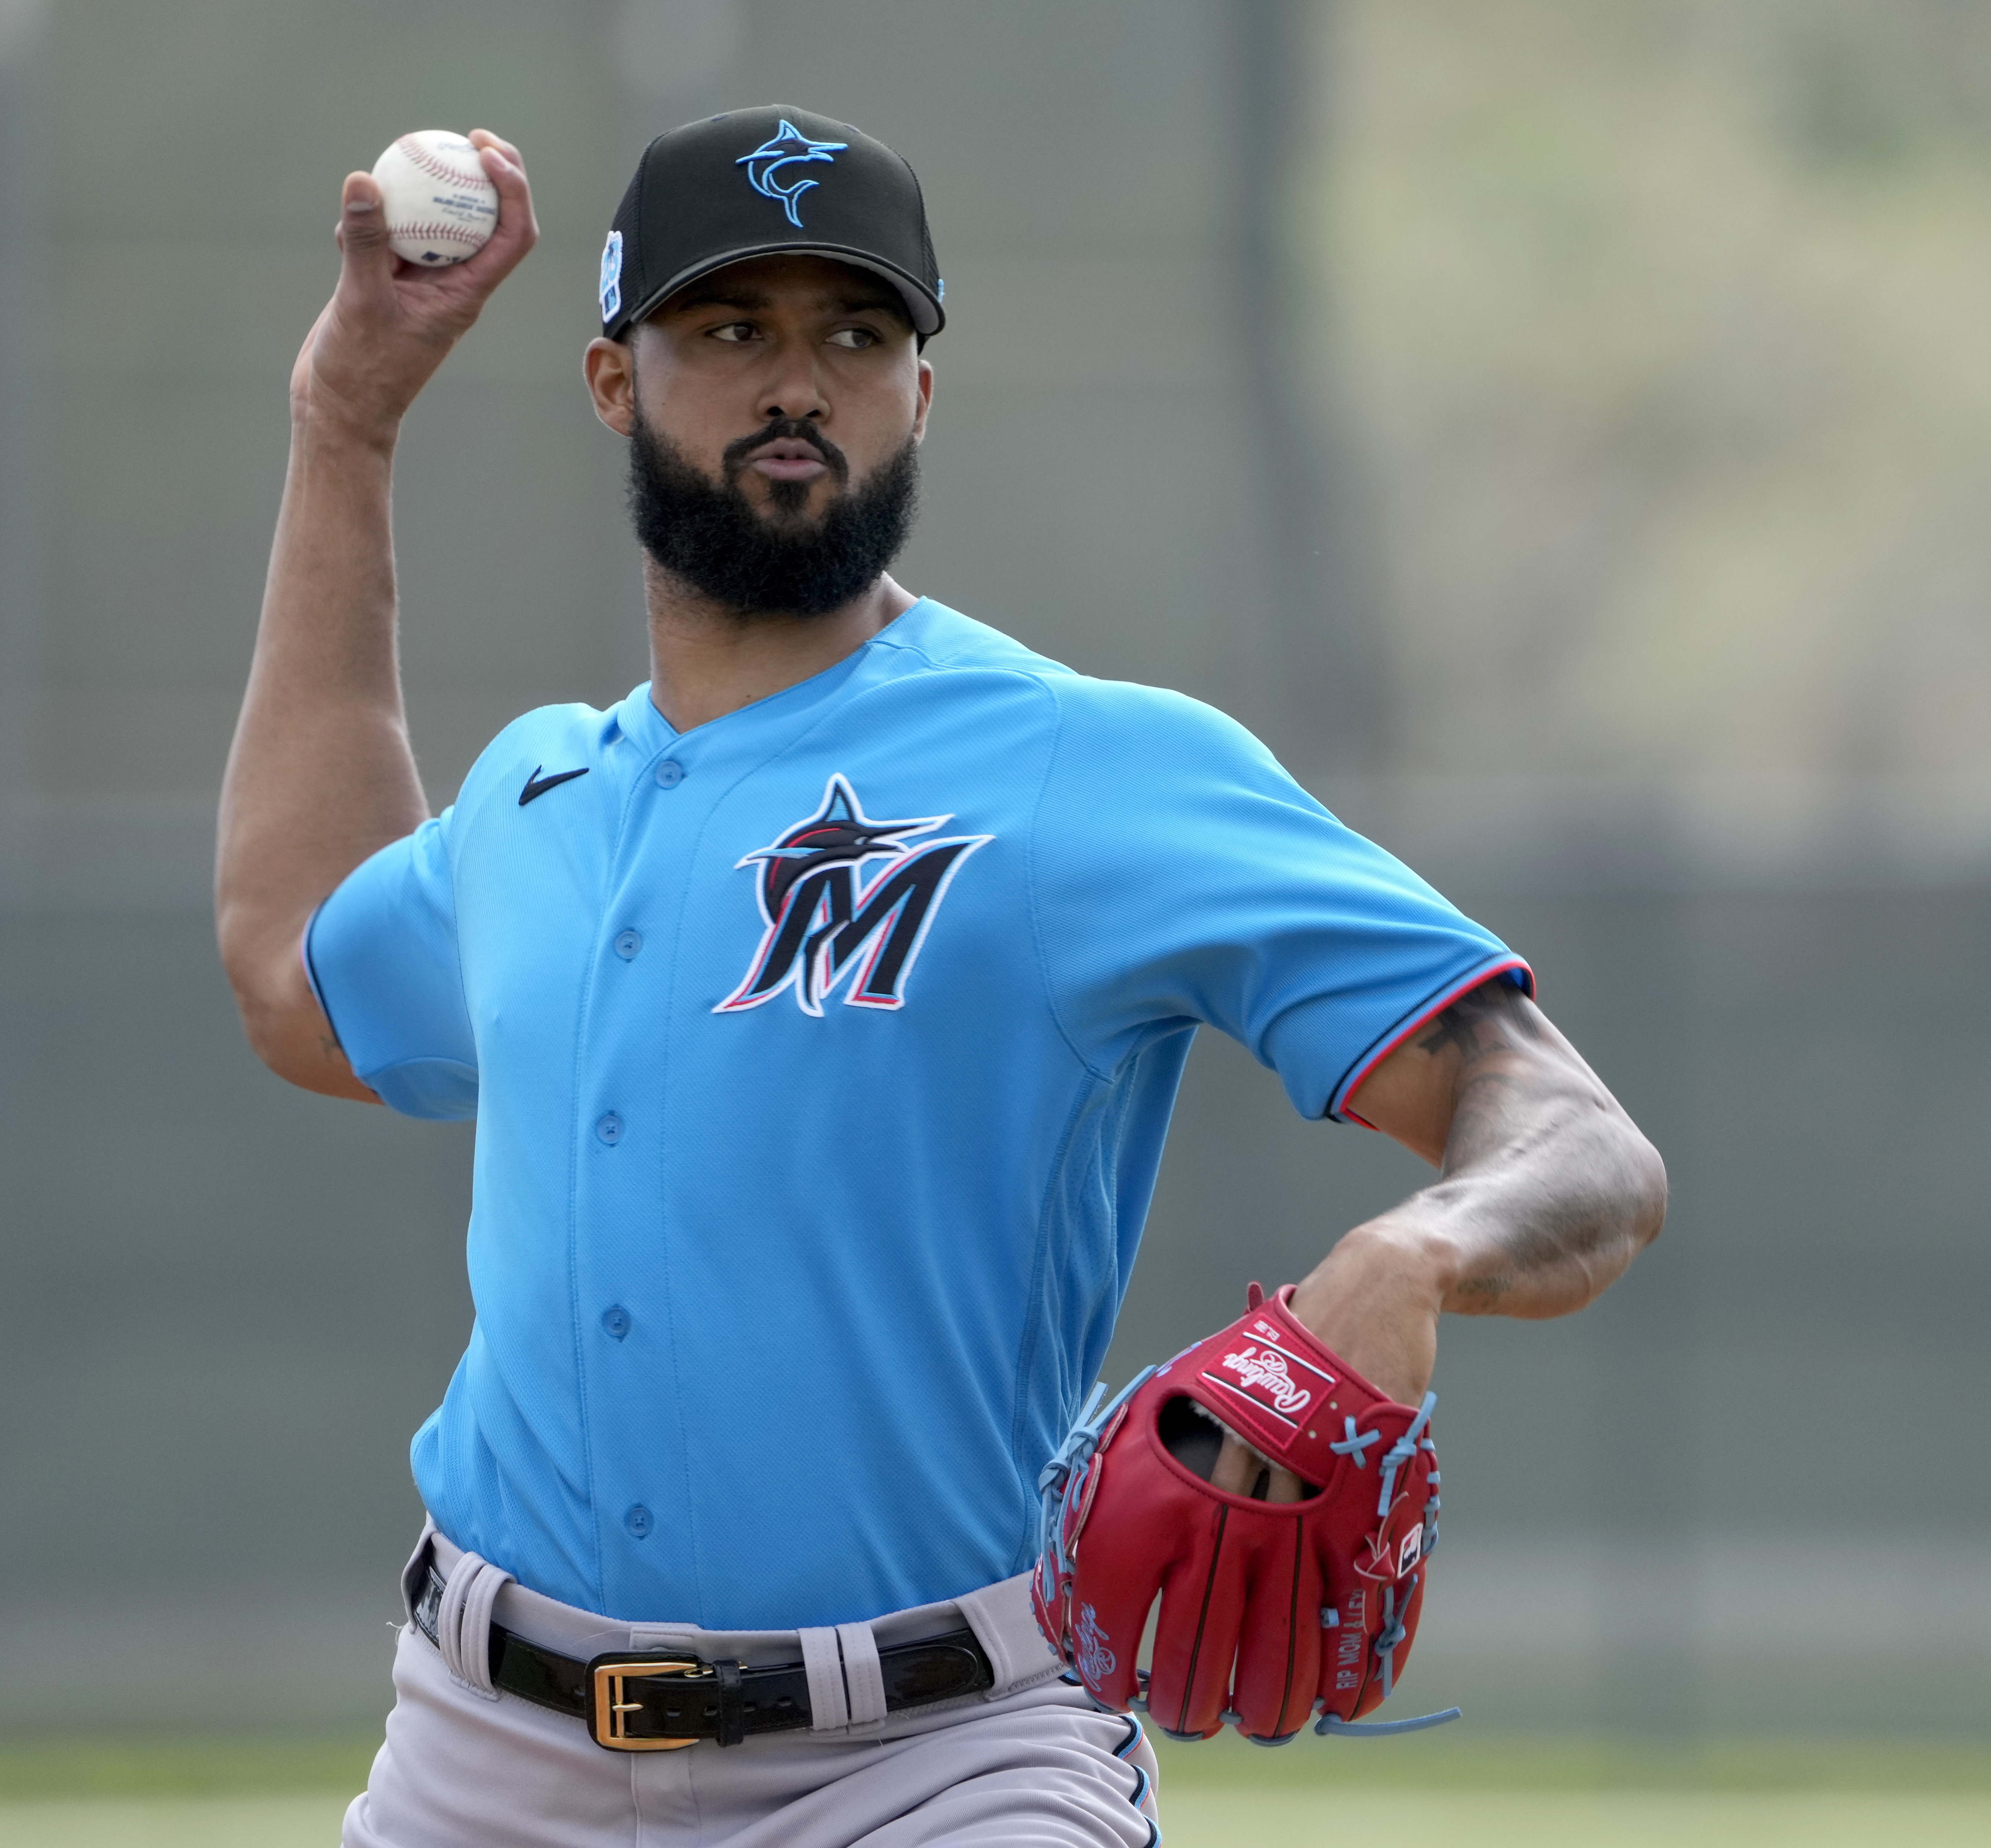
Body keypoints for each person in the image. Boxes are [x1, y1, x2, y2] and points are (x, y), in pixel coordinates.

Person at [214, 105, 1666, 1848]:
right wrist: (345, 422)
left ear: (921, 390)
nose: (798, 381)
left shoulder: (1088, 767)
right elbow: (299, 983)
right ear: (615, 381)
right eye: (732, 329)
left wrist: (1411, 1251)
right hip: (488, 1757)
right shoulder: (540, 795)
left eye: (858, 332)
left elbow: (1581, 1144)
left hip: (939, 1764)